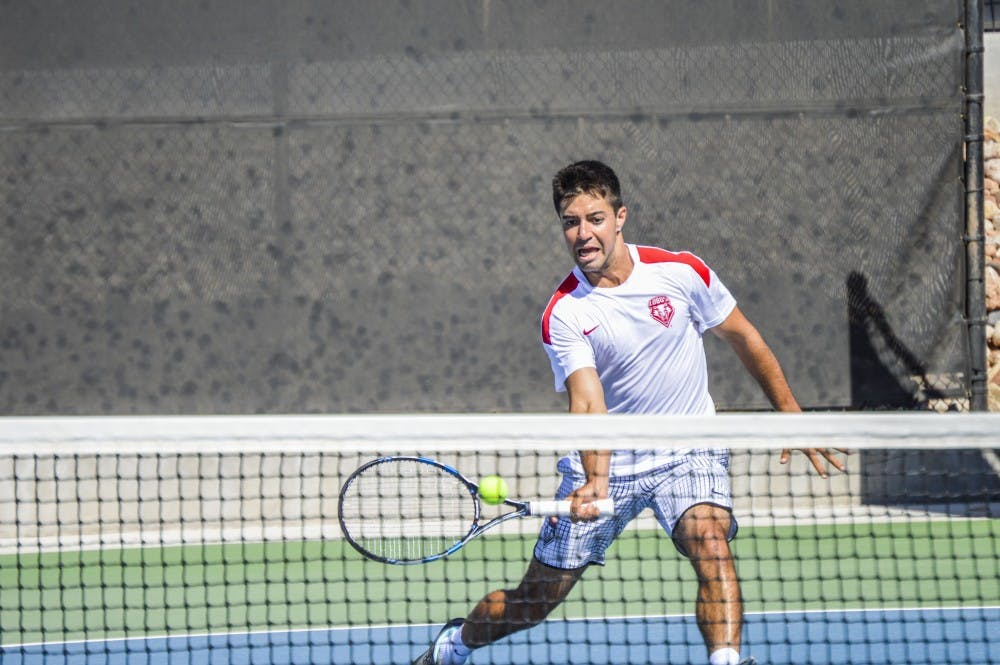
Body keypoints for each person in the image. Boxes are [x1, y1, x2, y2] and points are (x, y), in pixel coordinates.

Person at [413, 160, 846, 665]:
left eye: (594, 218)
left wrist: (791, 412)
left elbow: (743, 336)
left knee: (710, 541)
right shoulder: (566, 312)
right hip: (606, 465)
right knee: (532, 603)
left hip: (688, 448)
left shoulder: (681, 272)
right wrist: (597, 478)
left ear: (621, 216)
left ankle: (727, 661)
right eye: (571, 223)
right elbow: (588, 401)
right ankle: (455, 643)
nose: (583, 233)